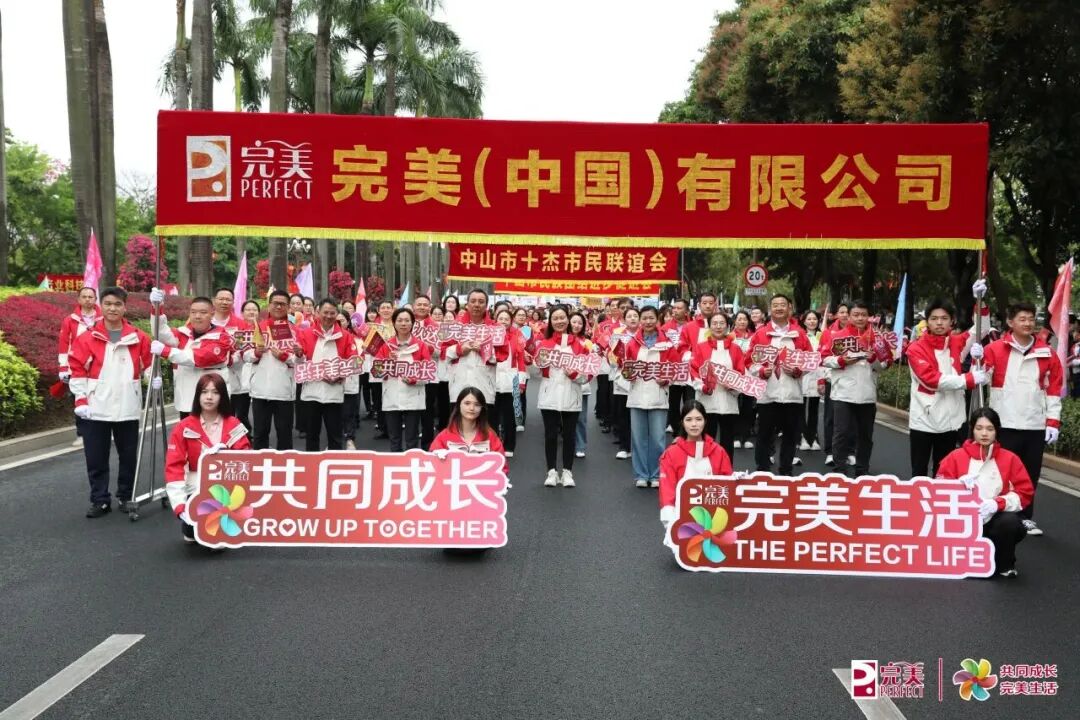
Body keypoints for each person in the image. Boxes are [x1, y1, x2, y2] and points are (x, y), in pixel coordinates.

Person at [69, 286, 154, 517]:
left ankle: (126, 495)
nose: (112, 308)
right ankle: (100, 499)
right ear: (101, 306)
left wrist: (154, 380)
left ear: (125, 307)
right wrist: (81, 400)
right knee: (96, 457)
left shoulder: (139, 337)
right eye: (107, 304)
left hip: (127, 406)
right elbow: (77, 370)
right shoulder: (87, 338)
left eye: (117, 304)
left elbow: (148, 365)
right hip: (96, 407)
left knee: (129, 456)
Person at [982, 301, 1064, 536]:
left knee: (1029, 474)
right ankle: (997, 511)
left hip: (1033, 424)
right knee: (1000, 472)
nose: (1028, 323)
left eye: (1031, 319)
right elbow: (981, 379)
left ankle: (1025, 516)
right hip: (1003, 423)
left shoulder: (1047, 353)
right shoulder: (994, 349)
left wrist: (1053, 421)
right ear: (1010, 322)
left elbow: (1054, 390)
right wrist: (978, 360)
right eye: (1022, 319)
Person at [936, 408, 1034, 577]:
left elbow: (1025, 493)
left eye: (990, 429)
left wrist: (997, 504)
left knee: (1010, 523)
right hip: (961, 520)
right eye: (979, 428)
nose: (984, 433)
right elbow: (937, 490)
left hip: (994, 519)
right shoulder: (955, 456)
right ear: (972, 430)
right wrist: (957, 486)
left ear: (997, 431)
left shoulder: (1010, 458)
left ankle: (1005, 563)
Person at [164, 372, 251, 544]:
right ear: (198, 395)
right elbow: (174, 467)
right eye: (204, 392)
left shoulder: (234, 424)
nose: (209, 397)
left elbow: (246, 462)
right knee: (191, 536)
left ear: (223, 397)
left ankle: (224, 521)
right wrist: (180, 506)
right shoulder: (183, 427)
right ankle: (193, 522)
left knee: (216, 542)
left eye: (215, 392)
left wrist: (225, 456)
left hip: (226, 486)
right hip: (195, 484)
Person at [906, 299, 988, 477]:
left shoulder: (956, 343)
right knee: (919, 473)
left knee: (943, 472)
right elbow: (932, 380)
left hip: (951, 421)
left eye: (944, 318)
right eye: (934, 318)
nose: (939, 323)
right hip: (923, 421)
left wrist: (980, 302)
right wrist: (968, 379)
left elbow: (981, 330)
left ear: (952, 321)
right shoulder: (915, 349)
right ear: (927, 321)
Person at [820, 300, 892, 478]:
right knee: (841, 433)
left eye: (863, 315)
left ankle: (862, 469)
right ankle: (840, 470)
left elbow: (885, 364)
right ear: (849, 316)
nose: (860, 318)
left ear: (869, 316)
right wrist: (841, 361)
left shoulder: (877, 338)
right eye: (856, 315)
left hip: (867, 394)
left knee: (865, 435)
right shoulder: (837, 336)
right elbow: (824, 358)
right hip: (842, 393)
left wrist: (873, 359)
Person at [748, 294, 813, 476]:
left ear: (789, 308)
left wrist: (798, 371)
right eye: (775, 305)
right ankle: (762, 471)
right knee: (764, 435)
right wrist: (761, 371)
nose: (779, 308)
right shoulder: (760, 334)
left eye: (782, 305)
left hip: (792, 394)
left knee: (791, 435)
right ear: (770, 309)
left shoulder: (799, 334)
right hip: (768, 394)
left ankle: (786, 471)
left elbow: (810, 360)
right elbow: (749, 360)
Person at [624, 306, 681, 488]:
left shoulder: (667, 344)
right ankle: (641, 474)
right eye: (645, 318)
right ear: (640, 320)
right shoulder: (632, 343)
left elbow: (675, 367)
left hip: (658, 395)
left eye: (651, 318)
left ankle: (656, 474)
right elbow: (625, 368)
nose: (648, 321)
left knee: (657, 439)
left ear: (657, 320)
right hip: (637, 396)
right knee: (638, 438)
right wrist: (628, 375)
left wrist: (667, 379)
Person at [150, 294, 232, 419]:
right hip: (186, 400)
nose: (197, 316)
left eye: (203, 312)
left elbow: (197, 357)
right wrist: (157, 308)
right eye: (193, 312)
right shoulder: (184, 333)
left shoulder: (222, 337)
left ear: (212, 313)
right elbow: (161, 333)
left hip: (211, 401)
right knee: (187, 430)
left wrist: (166, 351)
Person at [535, 305, 592, 487]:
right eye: (555, 318)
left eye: (562, 318)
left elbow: (588, 374)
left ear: (568, 320)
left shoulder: (580, 345)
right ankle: (551, 472)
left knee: (569, 435)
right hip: (549, 394)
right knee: (551, 435)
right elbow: (536, 372)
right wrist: (536, 363)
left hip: (571, 394)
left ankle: (567, 472)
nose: (559, 321)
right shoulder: (544, 344)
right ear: (550, 322)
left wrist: (574, 374)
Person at [295, 298, 358, 451]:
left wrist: (340, 375)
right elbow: (299, 362)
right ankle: (311, 463)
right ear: (318, 313)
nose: (328, 316)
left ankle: (334, 462)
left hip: (334, 392)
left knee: (335, 435)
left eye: (332, 313)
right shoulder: (306, 333)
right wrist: (298, 354)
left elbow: (353, 362)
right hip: (311, 392)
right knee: (312, 435)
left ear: (337, 314)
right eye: (325, 312)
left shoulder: (345, 336)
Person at [658, 400, 733, 528]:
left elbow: (728, 485)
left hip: (715, 518)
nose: (694, 424)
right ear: (682, 422)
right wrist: (670, 521)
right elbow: (667, 489)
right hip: (680, 517)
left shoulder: (719, 452)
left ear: (705, 421)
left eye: (698, 419)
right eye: (689, 419)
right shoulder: (671, 454)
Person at [372, 308, 432, 451]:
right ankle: (395, 462)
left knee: (412, 438)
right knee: (394, 439)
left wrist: (414, 379)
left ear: (412, 323)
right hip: (392, 396)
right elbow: (375, 372)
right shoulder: (386, 345)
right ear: (394, 323)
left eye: (407, 320)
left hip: (413, 396)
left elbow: (428, 373)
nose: (403, 324)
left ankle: (411, 463)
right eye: (399, 320)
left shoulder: (421, 345)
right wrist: (387, 361)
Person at [247, 290, 299, 450]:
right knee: (260, 433)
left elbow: (302, 360)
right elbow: (244, 355)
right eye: (275, 303)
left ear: (288, 307)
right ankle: (259, 464)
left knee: (285, 434)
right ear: (269, 305)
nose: (278, 307)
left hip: (284, 391)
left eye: (282, 304)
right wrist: (256, 353)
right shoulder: (257, 328)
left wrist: (285, 356)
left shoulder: (295, 331)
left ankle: (286, 464)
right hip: (260, 390)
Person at [689, 312, 744, 459]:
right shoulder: (700, 347)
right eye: (714, 323)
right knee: (706, 439)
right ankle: (706, 470)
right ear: (709, 326)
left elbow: (741, 372)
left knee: (727, 440)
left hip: (728, 399)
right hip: (707, 400)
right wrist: (703, 387)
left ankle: (726, 469)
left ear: (728, 326)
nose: (718, 326)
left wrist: (733, 385)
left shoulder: (735, 349)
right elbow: (694, 371)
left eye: (722, 323)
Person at [429, 387, 507, 478]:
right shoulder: (444, 436)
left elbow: (502, 467)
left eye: (477, 404)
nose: (472, 408)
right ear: (459, 405)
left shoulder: (490, 436)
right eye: (467, 403)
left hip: (482, 485)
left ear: (482, 408)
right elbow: (431, 464)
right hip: (452, 484)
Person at [445, 288, 499, 417]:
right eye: (473, 301)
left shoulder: (495, 328)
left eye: (481, 301)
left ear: (486, 305)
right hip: (459, 384)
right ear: (467, 304)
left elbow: (502, 356)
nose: (476, 304)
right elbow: (443, 353)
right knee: (458, 424)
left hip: (484, 384)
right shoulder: (454, 327)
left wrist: (484, 350)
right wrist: (459, 349)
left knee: (484, 424)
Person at [492, 308, 526, 457]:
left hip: (510, 379)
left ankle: (509, 445)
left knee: (509, 415)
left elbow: (520, 360)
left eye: (506, 319)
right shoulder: (490, 333)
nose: (503, 321)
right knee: (492, 415)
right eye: (501, 318)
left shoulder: (517, 335)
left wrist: (521, 382)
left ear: (511, 321)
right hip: (492, 377)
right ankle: (492, 444)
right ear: (496, 320)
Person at [819, 302, 850, 465]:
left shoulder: (860, 333)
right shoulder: (828, 332)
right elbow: (822, 358)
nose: (845, 315)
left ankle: (849, 451)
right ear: (836, 314)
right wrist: (821, 380)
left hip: (853, 382)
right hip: (833, 380)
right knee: (831, 417)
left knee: (851, 420)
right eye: (842, 312)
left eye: (847, 312)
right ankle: (830, 451)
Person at [411, 294, 441, 449]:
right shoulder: (406, 323)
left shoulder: (437, 327)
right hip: (409, 372)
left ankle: (427, 444)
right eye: (419, 304)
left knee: (427, 410)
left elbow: (441, 352)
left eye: (425, 304)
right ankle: (411, 445)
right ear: (413, 306)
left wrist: (429, 348)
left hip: (429, 374)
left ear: (429, 307)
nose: (422, 307)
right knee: (411, 410)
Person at [610, 306, 638, 460]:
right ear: (624, 319)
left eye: (635, 316)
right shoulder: (617, 335)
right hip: (622, 378)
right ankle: (624, 446)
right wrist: (618, 360)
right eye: (629, 316)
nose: (633, 319)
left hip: (640, 378)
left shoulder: (645, 335)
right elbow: (611, 355)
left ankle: (638, 447)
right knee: (623, 413)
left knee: (638, 413)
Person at [662, 298, 693, 433]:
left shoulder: (693, 327)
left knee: (689, 402)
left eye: (679, 308)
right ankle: (676, 430)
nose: (675, 310)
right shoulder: (665, 328)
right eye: (674, 308)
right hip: (673, 369)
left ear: (686, 311)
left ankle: (688, 430)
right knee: (673, 402)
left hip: (690, 370)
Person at [233, 299, 262, 435]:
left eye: (254, 309)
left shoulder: (263, 330)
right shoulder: (239, 331)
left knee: (258, 409)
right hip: (241, 374)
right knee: (240, 410)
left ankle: (253, 434)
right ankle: (244, 434)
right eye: (248, 310)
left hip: (260, 373)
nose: (251, 312)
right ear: (242, 313)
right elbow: (237, 350)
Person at [368, 299, 395, 439]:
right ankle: (382, 427)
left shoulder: (397, 325)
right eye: (383, 308)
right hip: (378, 363)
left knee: (392, 396)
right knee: (378, 398)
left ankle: (393, 428)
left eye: (388, 307)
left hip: (394, 365)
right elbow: (368, 348)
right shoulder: (373, 327)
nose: (385, 310)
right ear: (379, 311)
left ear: (392, 309)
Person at [799, 310, 824, 453]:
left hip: (817, 376)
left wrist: (822, 379)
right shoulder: (800, 336)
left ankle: (813, 437)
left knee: (814, 409)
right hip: (803, 375)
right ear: (804, 321)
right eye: (809, 319)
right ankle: (802, 437)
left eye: (814, 319)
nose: (812, 321)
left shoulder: (822, 336)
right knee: (801, 408)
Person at [731, 310, 756, 449]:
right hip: (734, 374)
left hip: (750, 375)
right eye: (739, 319)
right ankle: (735, 435)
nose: (742, 322)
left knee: (748, 406)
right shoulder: (729, 336)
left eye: (744, 319)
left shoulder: (754, 337)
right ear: (735, 321)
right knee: (735, 405)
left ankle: (745, 436)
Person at [340, 306, 363, 450]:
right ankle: (335, 441)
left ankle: (350, 438)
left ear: (348, 322)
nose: (339, 323)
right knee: (334, 413)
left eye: (342, 321)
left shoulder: (357, 339)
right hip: (331, 381)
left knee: (349, 412)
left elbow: (359, 362)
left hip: (350, 381)